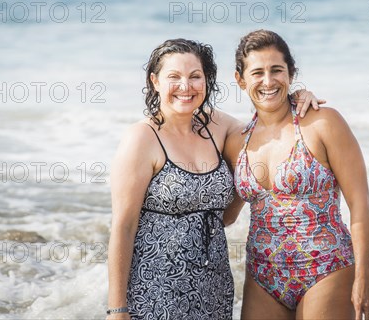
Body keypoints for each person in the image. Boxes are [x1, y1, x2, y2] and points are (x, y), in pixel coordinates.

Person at [106, 38, 321, 320]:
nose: (186, 86)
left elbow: (268, 129)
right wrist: (117, 309)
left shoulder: (216, 127)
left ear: (206, 81)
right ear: (155, 81)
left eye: (195, 76)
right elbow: (123, 227)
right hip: (155, 288)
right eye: (174, 77)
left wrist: (295, 97)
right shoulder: (142, 138)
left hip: (213, 286)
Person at [224, 30, 369, 320]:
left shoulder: (323, 122)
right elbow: (227, 214)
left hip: (325, 268)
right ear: (240, 80)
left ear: (291, 73)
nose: (268, 81)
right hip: (262, 276)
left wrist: (365, 278)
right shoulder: (235, 141)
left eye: (276, 70)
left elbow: (360, 204)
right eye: (257, 72)